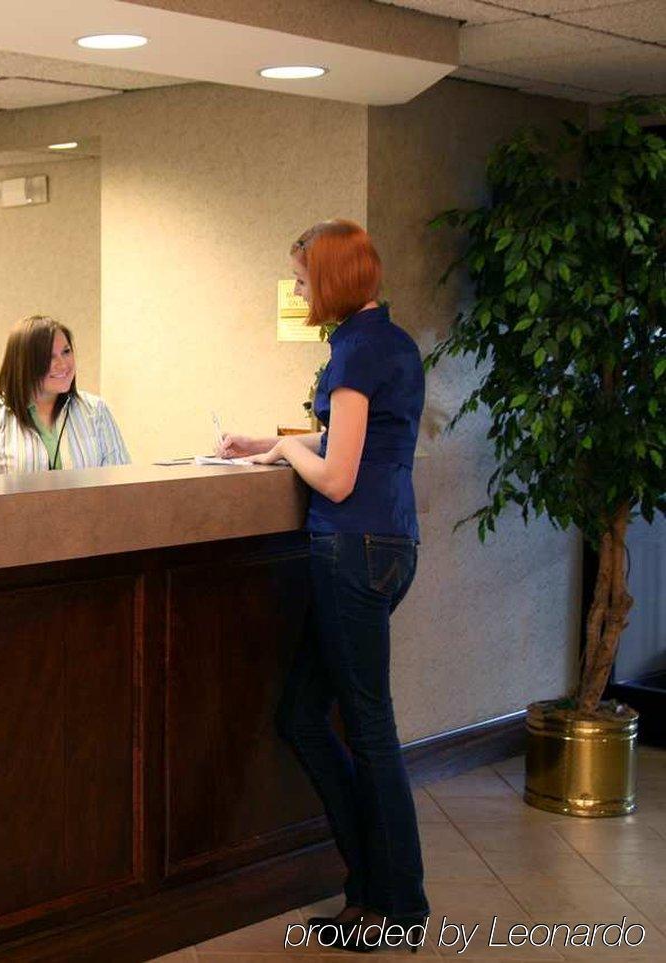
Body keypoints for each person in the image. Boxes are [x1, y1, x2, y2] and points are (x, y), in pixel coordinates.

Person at [219, 220, 427, 952]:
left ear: (332, 280)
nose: (300, 292)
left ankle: (393, 901)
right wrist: (265, 441)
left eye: (304, 280)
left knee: (368, 729)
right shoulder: (390, 342)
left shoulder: (355, 353)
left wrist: (283, 447)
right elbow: (356, 444)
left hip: (350, 548)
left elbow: (337, 475)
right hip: (391, 541)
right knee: (305, 715)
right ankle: (370, 885)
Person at [0, 315, 129, 477]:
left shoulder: (96, 410)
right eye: (49, 357)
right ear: (24, 364)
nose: (63, 364)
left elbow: (122, 483)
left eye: (66, 352)